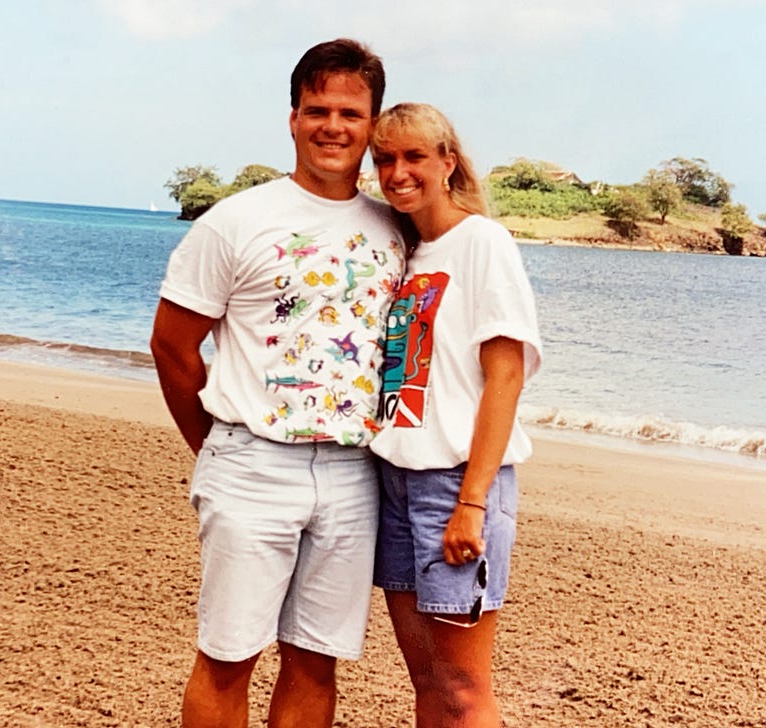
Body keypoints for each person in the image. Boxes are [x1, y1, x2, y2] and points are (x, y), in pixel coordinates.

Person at [149, 39, 404, 728]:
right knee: (230, 656)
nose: (333, 126)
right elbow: (173, 346)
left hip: (354, 473)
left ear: (372, 124)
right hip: (251, 460)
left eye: (350, 113)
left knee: (315, 660)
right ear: (292, 118)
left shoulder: (393, 229)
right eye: (317, 109)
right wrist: (217, 446)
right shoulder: (237, 221)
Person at [367, 103, 543, 727]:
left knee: (465, 688)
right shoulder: (409, 252)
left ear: (448, 162)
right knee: (427, 681)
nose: (398, 171)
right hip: (394, 478)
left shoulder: (482, 243)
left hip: (456, 482)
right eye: (385, 158)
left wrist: (471, 501)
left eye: (414, 156)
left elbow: (507, 376)